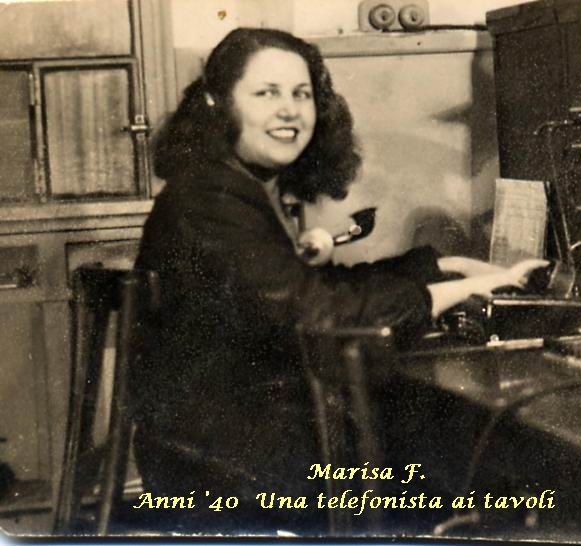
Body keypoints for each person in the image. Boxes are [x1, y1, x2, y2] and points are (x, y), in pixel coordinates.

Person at [130, 27, 546, 533]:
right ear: (218, 104)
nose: (290, 110)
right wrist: (447, 293)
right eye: (266, 93)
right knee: (486, 451)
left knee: (449, 432)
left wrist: (441, 268)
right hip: (224, 469)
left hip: (226, 443)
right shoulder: (210, 199)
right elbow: (317, 311)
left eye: (301, 94)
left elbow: (307, 287)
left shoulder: (223, 184)